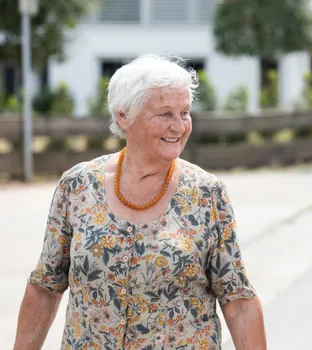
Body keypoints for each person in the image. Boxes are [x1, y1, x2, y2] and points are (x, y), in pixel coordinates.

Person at [13, 54, 267, 350]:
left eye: (184, 113)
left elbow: (237, 300)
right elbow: (45, 287)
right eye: (165, 114)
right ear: (124, 116)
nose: (179, 126)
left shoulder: (207, 194)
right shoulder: (78, 185)